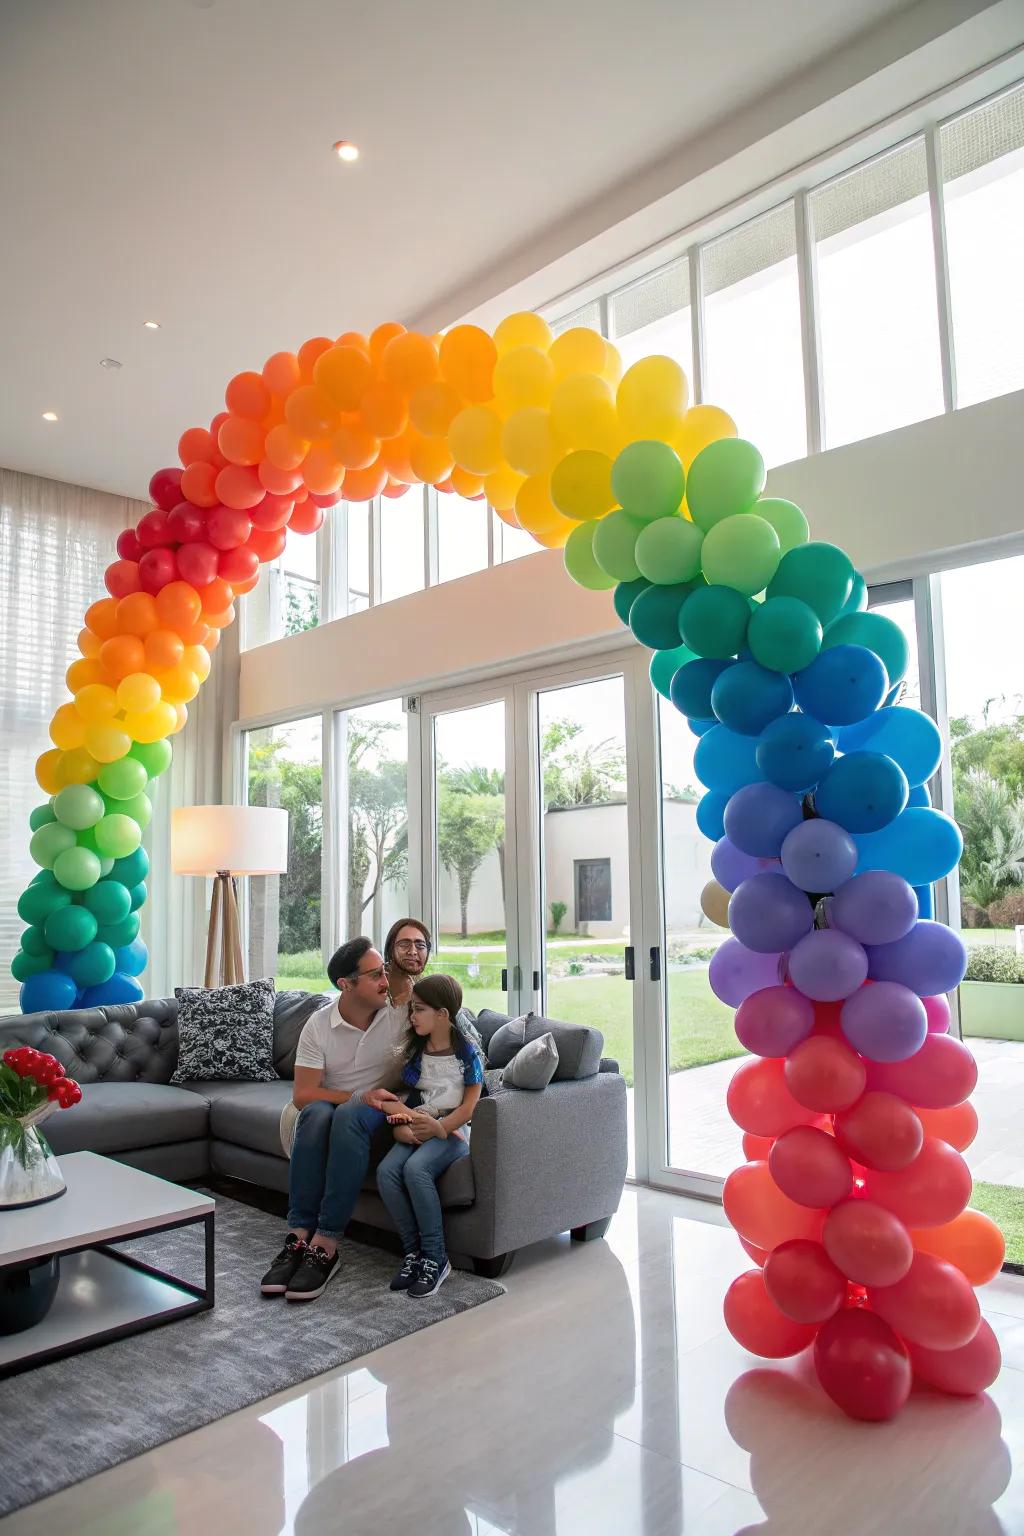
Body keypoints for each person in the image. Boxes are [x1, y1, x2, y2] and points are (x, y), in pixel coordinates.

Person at [260, 937, 405, 1303]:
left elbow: (446, 1031)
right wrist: (357, 1095)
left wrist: (369, 1101)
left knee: (347, 1114)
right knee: (318, 1113)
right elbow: (304, 1094)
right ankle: (297, 1237)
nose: (384, 981)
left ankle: (326, 1243)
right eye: (374, 975)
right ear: (346, 984)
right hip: (332, 1109)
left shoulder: (400, 1015)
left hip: (376, 1116)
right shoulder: (319, 1024)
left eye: (383, 971)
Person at [376, 974, 484, 1298]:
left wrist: (441, 1128)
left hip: (453, 1132)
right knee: (387, 1171)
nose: (412, 1016)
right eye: (412, 1009)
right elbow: (406, 1099)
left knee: (416, 1169)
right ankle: (413, 1253)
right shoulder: (417, 1052)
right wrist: (401, 1126)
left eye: (419, 1010)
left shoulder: (468, 1055)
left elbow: (469, 1107)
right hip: (419, 1124)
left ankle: (436, 1257)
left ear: (442, 1015)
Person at [382, 917, 432, 1007]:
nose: (413, 951)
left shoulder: (426, 986)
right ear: (390, 949)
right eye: (404, 945)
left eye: (420, 945)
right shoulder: (378, 985)